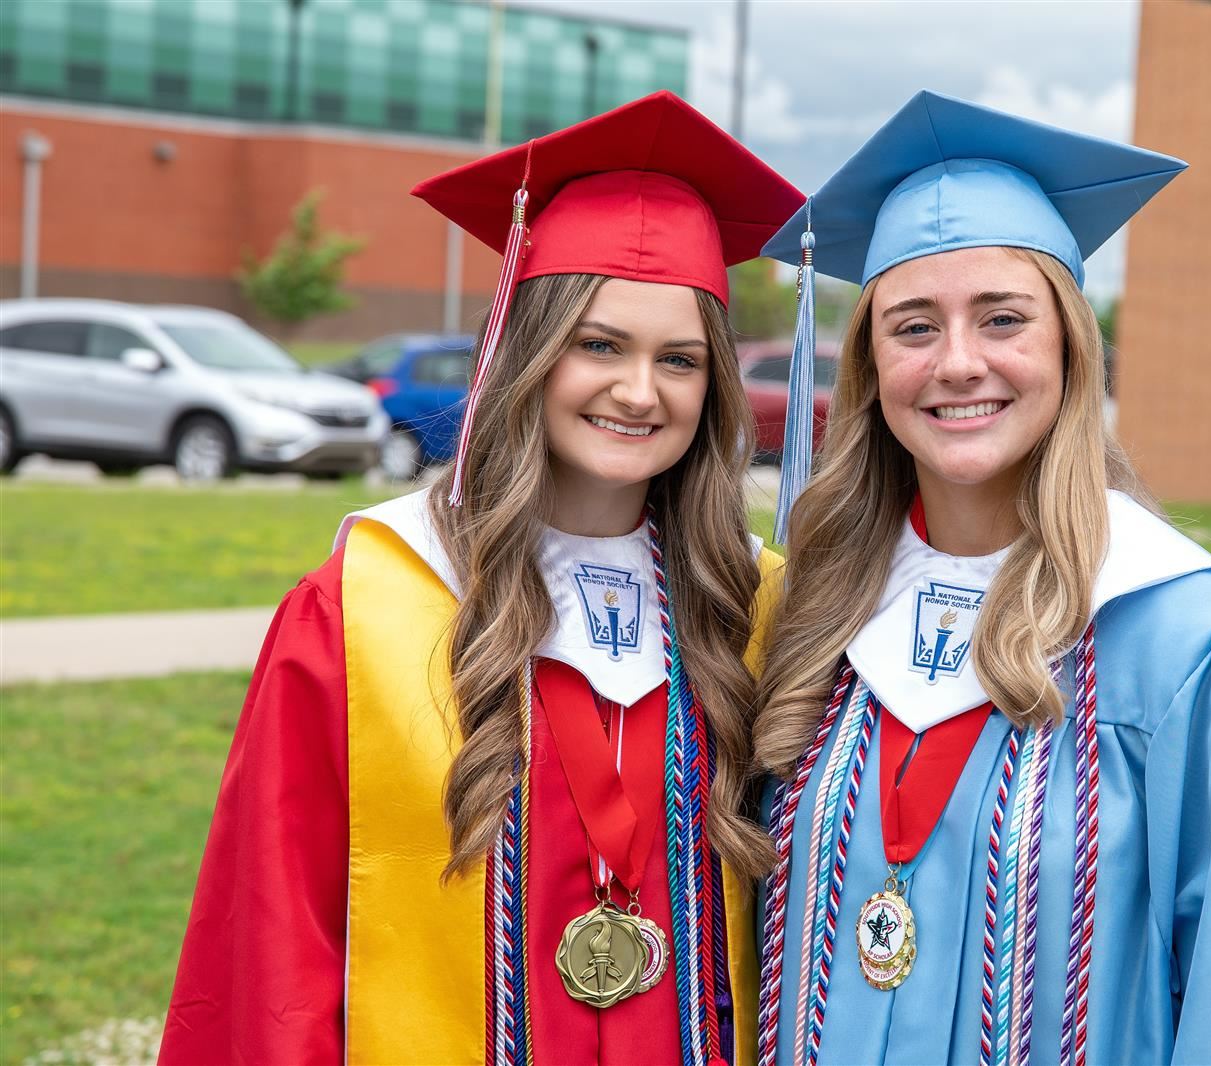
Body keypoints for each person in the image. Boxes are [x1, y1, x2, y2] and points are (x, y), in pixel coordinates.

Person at [160, 91, 803, 1066]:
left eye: (679, 359)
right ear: (525, 352)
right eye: (598, 344)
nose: (640, 390)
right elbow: (274, 945)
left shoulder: (753, 609)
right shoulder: (367, 607)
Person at [752, 90, 1211, 1066]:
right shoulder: (820, 618)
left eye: (1002, 318)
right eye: (913, 326)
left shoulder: (1187, 644)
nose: (958, 362)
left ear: (1068, 344)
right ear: (869, 367)